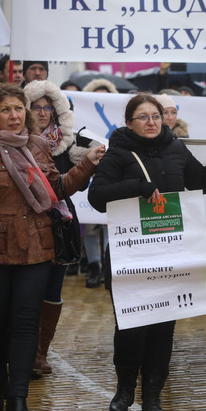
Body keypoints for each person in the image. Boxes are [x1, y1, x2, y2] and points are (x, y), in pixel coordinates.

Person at [87, 93, 206, 411]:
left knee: (163, 327)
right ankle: (124, 391)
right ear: (129, 123)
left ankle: (153, 397)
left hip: (170, 253)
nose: (151, 122)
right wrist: (137, 187)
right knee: (131, 325)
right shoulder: (118, 151)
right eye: (143, 117)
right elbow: (97, 197)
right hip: (131, 255)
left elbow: (198, 182)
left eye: (156, 116)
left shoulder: (176, 148)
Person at [0, 82, 99, 411]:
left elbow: (57, 189)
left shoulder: (37, 145)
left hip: (36, 247)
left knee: (25, 322)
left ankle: (17, 399)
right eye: (6, 109)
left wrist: (88, 165)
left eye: (19, 108)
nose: (15, 115)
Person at [23, 80, 105, 377]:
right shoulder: (15, 142)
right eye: (37, 107)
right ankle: (24, 351)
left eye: (48, 108)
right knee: (28, 290)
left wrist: (91, 162)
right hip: (27, 223)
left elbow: (74, 184)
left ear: (56, 111)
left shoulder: (66, 144)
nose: (43, 113)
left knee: (53, 290)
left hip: (60, 224)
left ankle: (40, 353)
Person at [80, 78, 120, 287]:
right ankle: (93, 266)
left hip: (111, 174)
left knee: (107, 227)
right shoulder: (83, 117)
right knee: (89, 228)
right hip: (90, 170)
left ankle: (107, 267)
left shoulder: (117, 123)